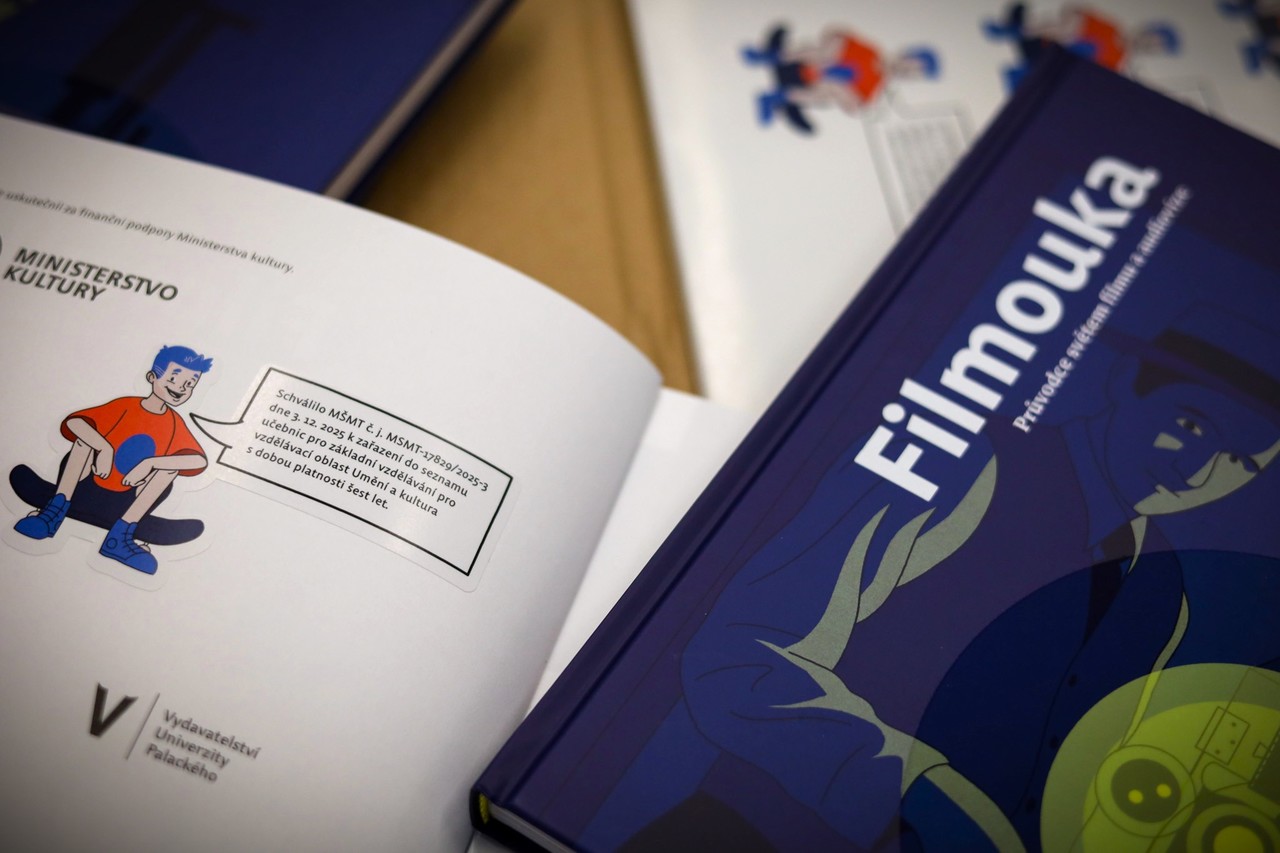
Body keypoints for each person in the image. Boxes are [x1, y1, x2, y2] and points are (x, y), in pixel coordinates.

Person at [590, 307, 1280, 850]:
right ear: (1125, 380)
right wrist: (912, 793)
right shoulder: (965, 462)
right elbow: (740, 654)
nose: (1197, 471)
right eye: (1191, 425)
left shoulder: (1162, 597)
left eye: (1239, 463)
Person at [14, 344, 212, 575]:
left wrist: (150, 463)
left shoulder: (174, 423)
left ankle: (120, 536)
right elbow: (74, 423)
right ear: (152, 377)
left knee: (169, 468)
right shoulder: (125, 405)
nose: (182, 388)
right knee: (84, 440)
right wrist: (104, 448)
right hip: (86, 487)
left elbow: (198, 461)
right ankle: (53, 512)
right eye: (174, 378)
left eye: (190, 384)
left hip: (127, 501)